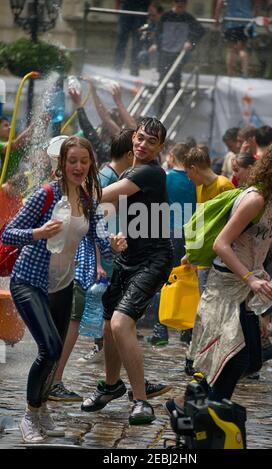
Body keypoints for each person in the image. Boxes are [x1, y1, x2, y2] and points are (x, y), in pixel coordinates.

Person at [1, 136, 127, 443]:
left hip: (62, 285)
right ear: (62, 163)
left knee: (54, 356)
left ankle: (42, 409)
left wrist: (114, 245)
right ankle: (30, 416)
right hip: (29, 280)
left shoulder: (88, 201)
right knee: (51, 348)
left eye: (84, 161)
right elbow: (9, 233)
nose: (79, 167)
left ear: (91, 165)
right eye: (73, 161)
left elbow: (101, 245)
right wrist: (38, 232)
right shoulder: (45, 194)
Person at [165, 139, 272, 414]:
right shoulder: (256, 199)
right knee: (236, 360)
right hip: (226, 286)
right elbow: (221, 244)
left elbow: (256, 247)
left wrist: (256, 292)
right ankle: (207, 413)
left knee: (252, 361)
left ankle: (193, 401)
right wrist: (251, 279)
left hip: (245, 290)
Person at [81, 117, 174, 424]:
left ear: (160, 147)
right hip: (128, 258)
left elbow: (100, 197)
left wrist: (71, 179)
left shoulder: (149, 172)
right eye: (140, 138)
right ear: (133, 137)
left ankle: (142, 401)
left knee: (121, 324)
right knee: (107, 326)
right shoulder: (131, 173)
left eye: (151, 141)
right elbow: (116, 211)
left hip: (154, 260)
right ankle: (111, 386)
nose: (143, 144)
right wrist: (117, 236)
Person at [77, 129, 135, 365]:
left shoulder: (112, 177)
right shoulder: (108, 179)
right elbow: (93, 224)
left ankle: (104, 348)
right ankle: (100, 348)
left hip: (110, 251)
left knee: (107, 301)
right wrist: (99, 261)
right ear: (130, 154)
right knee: (102, 301)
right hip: (103, 254)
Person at [182, 144, 234, 375]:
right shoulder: (201, 187)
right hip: (204, 260)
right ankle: (200, 356)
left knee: (213, 311)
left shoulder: (223, 186)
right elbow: (201, 221)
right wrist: (191, 253)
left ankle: (208, 358)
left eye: (187, 173)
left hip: (219, 259)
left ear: (193, 168)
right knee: (204, 309)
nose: (188, 178)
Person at [147, 142, 196, 346]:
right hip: (191, 235)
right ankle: (188, 328)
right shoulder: (196, 180)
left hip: (167, 233)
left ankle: (160, 330)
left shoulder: (166, 178)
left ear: (173, 157)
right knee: (188, 279)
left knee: (164, 279)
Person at [149, 0, 204, 114]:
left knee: (176, 75)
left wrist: (190, 41)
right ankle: (160, 106)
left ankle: (177, 97)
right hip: (165, 51)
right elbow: (158, 32)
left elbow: (200, 30)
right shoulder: (166, 16)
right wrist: (155, 44)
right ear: (174, 4)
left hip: (178, 52)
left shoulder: (188, 17)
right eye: (178, 6)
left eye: (182, 7)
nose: (180, 9)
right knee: (163, 78)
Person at [214, 0, 260, 77]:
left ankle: (230, 74)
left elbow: (220, 2)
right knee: (243, 49)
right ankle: (245, 73)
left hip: (231, 21)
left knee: (231, 49)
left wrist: (216, 17)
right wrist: (255, 15)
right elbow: (257, 3)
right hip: (246, 21)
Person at [114, 0, 151, 76]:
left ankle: (134, 69)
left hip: (141, 9)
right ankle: (117, 68)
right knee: (122, 42)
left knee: (138, 43)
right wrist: (117, 8)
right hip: (127, 9)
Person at [0, 117, 34, 182]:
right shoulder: (2, 143)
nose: (10, 127)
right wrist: (30, 128)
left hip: (15, 185)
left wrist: (42, 123)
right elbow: (14, 145)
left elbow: (27, 140)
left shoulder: (13, 143)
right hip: (3, 186)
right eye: (5, 125)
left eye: (9, 125)